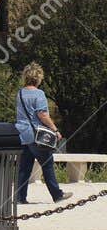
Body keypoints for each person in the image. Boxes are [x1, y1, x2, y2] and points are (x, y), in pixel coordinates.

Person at [14, 63, 71, 205]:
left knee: (24, 167)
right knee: (47, 164)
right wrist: (55, 130)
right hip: (36, 135)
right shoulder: (39, 94)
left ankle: (20, 197)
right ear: (38, 78)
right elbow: (43, 115)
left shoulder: (20, 93)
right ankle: (57, 195)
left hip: (22, 134)